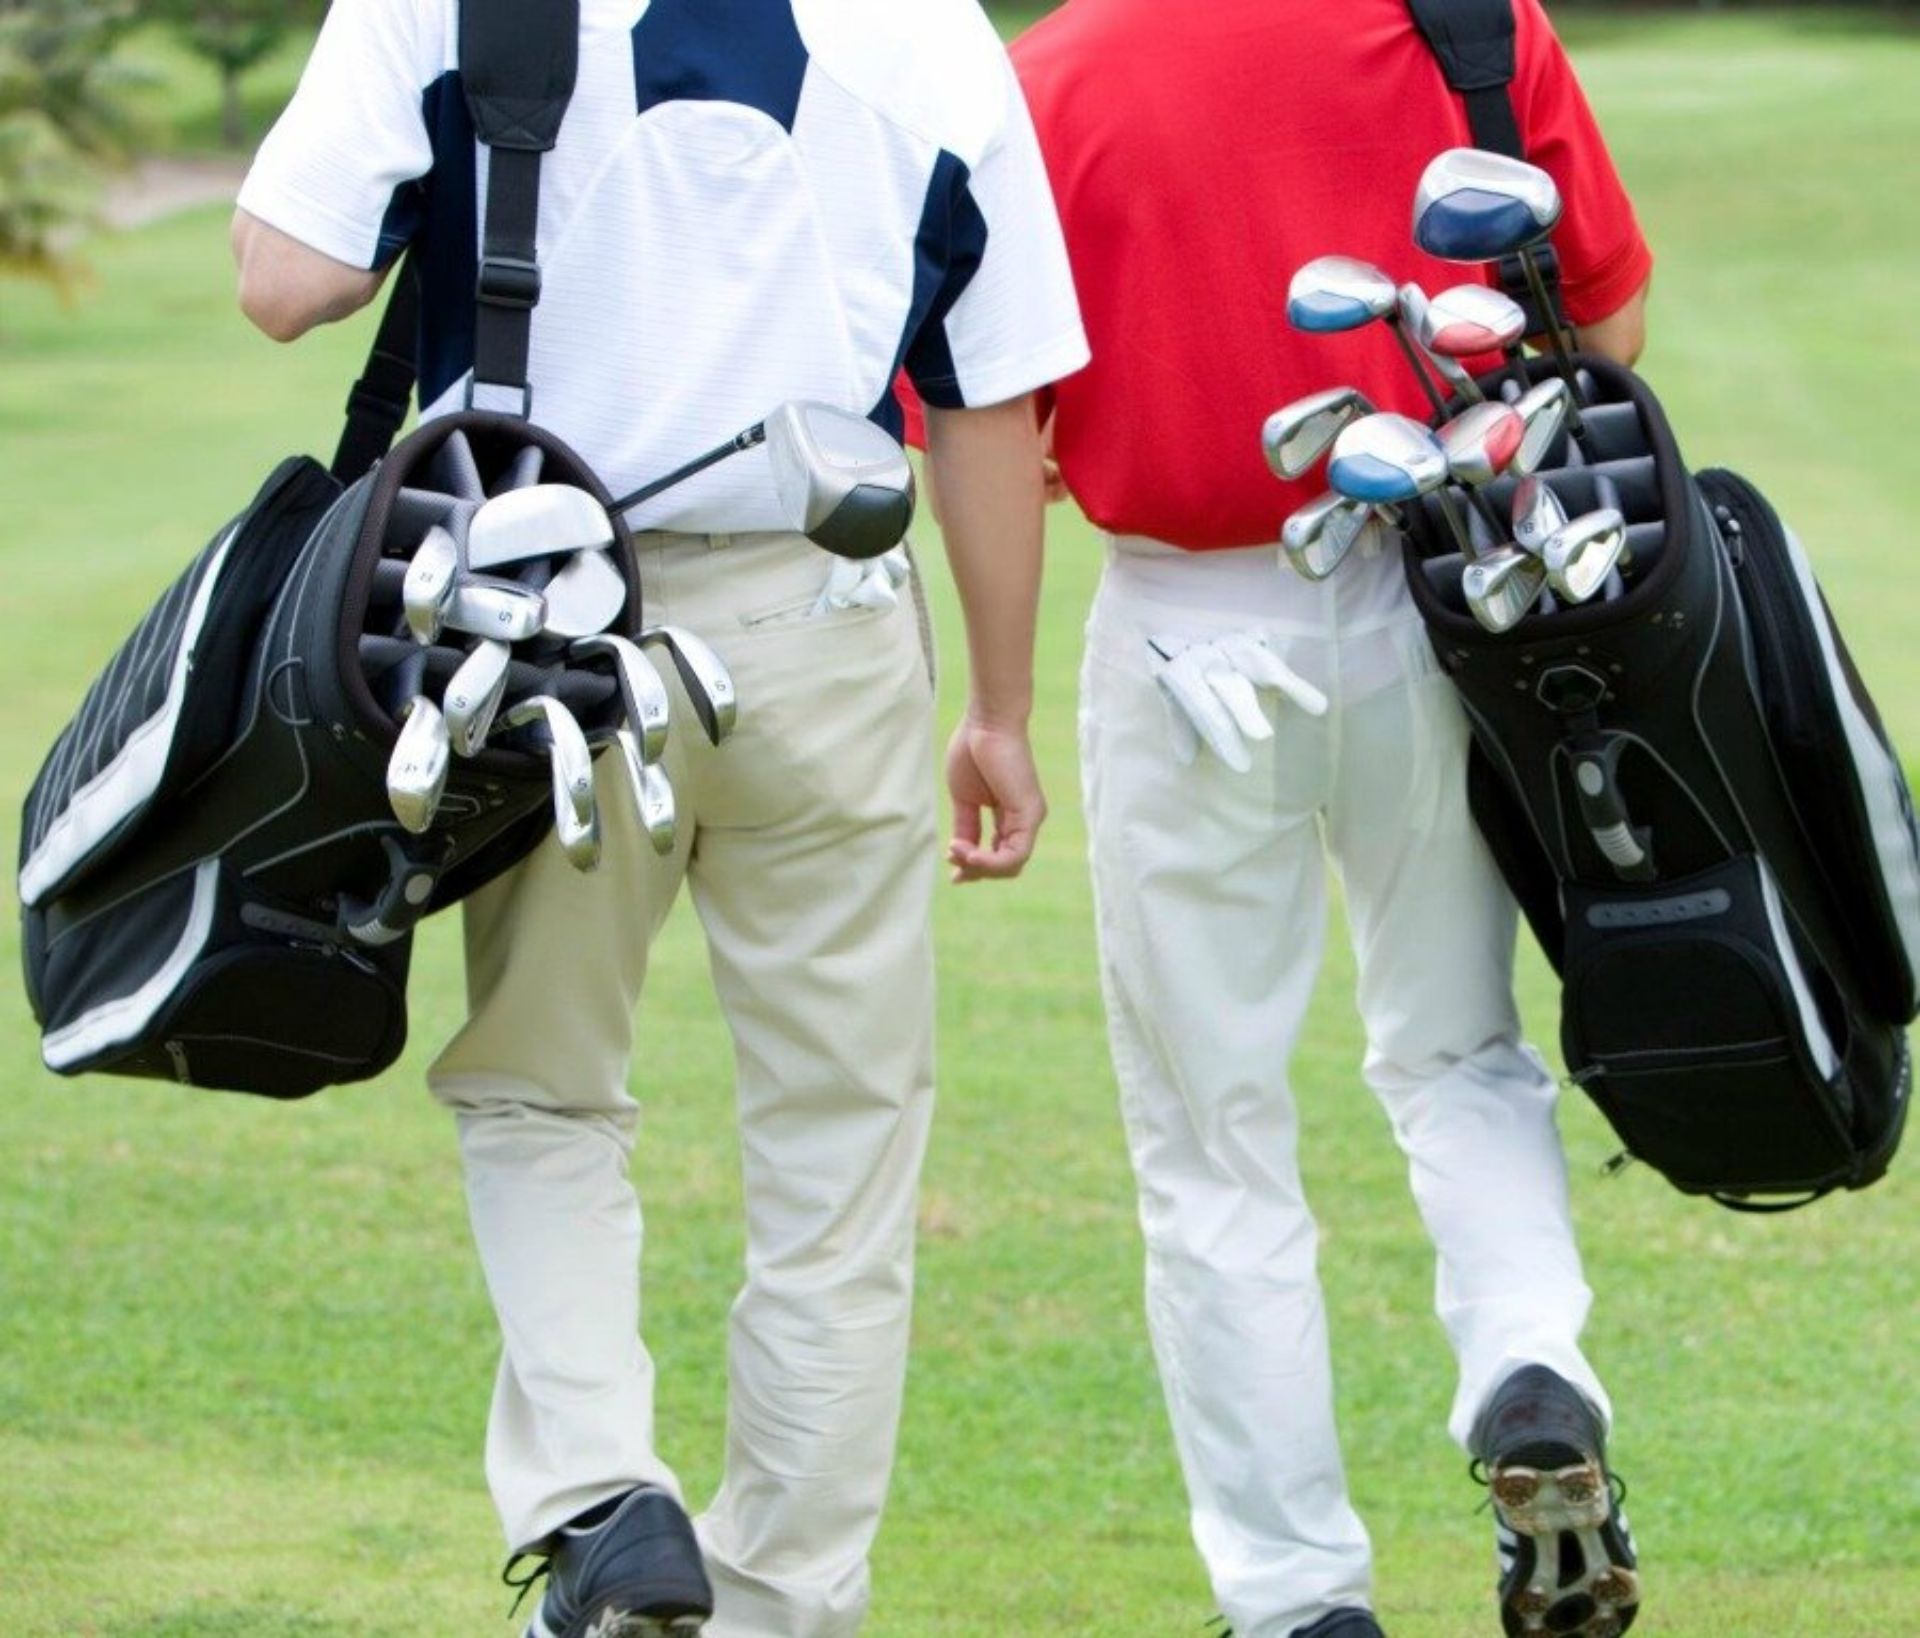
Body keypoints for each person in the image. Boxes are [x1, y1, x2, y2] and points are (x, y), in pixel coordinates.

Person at [230, 3, 1085, 1635]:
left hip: (547, 626)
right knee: (839, 1151)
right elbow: (987, 397)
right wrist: (999, 707)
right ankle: (782, 1602)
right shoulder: (933, 30)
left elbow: (287, 280)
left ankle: (604, 1499)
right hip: (829, 622)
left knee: (542, 1088)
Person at [944, 2, 1653, 1635]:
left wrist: (995, 706)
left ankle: (1296, 1597)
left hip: (1184, 622)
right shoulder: (1470, 18)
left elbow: (993, 417)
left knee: (1215, 1144)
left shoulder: (1045, 77)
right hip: (1449, 599)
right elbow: (1603, 319)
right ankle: (1529, 1362)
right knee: (1459, 1049)